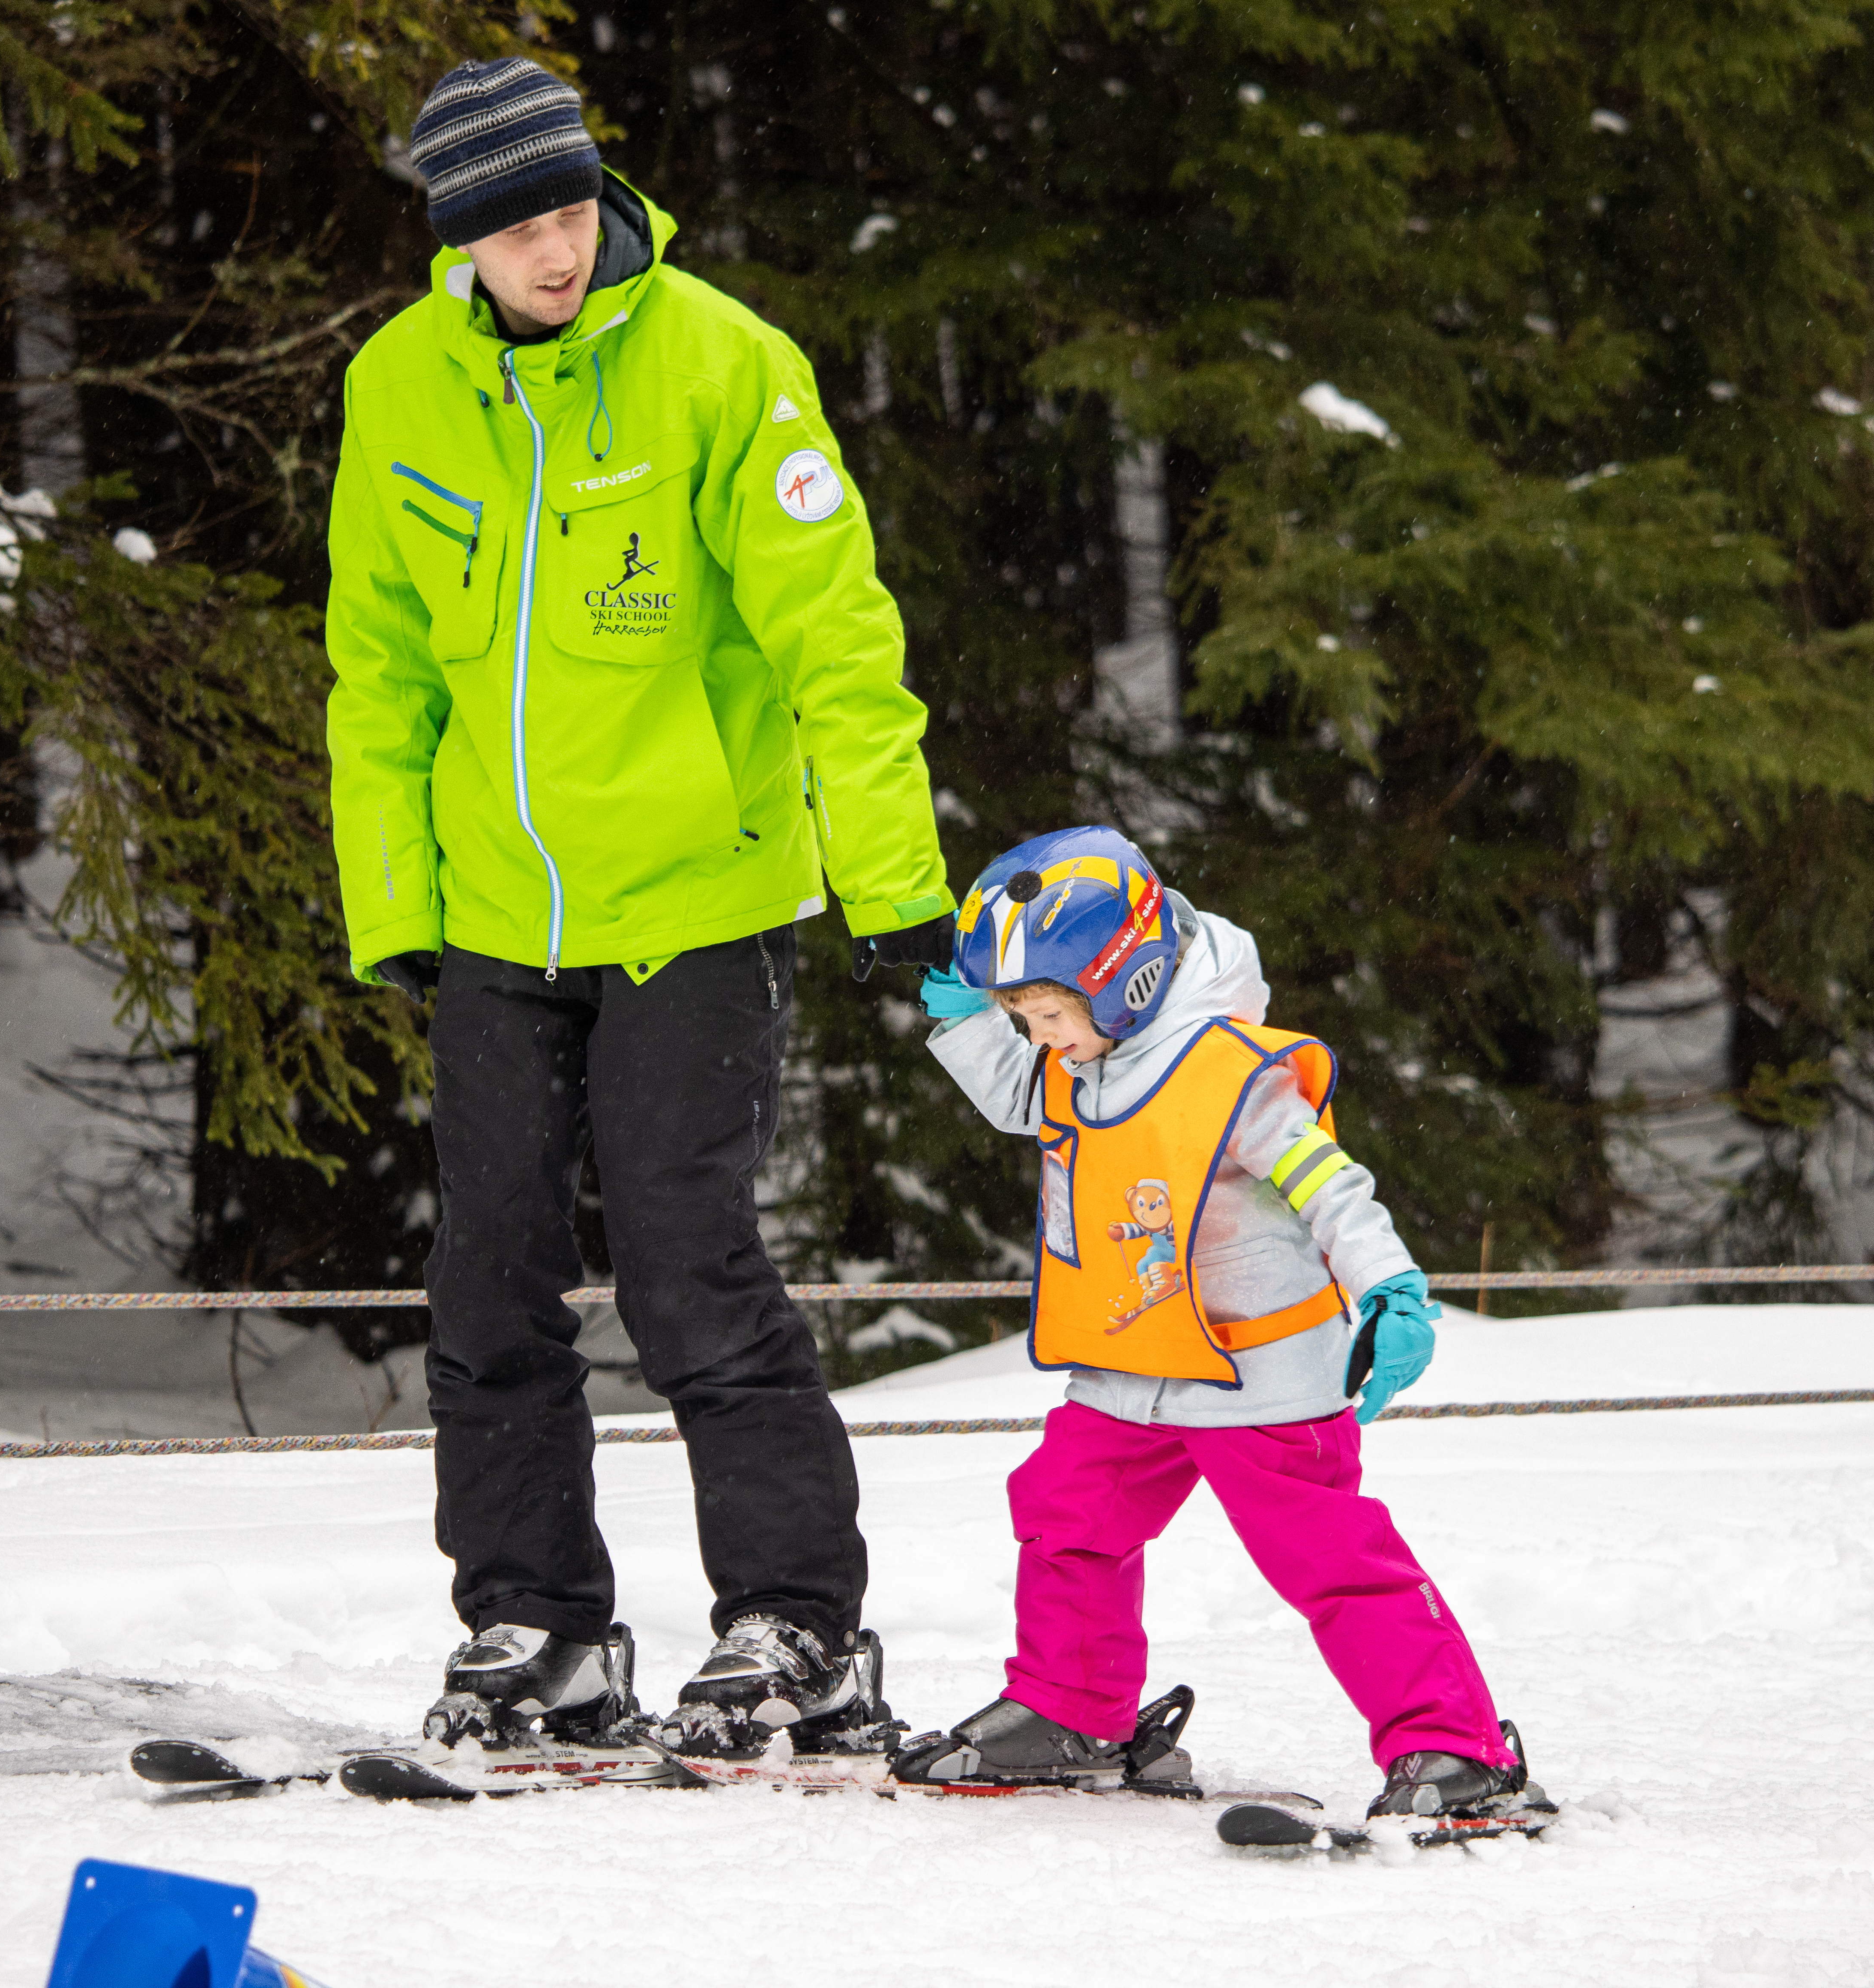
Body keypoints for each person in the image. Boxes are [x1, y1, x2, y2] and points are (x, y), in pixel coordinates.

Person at [322, 56, 956, 1756]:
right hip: (497, 920)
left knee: (689, 1271)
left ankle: (798, 1624)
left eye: (571, 212)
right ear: (459, 242)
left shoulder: (724, 364)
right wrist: (397, 901)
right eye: (516, 229)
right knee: (486, 1287)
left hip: (695, 904)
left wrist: (897, 878)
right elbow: (380, 669)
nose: (555, 251)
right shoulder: (399, 387)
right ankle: (538, 1626)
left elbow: (839, 640)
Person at [889, 826, 1550, 1826]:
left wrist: (1390, 1287)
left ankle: (1455, 1751)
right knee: (1068, 1517)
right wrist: (964, 1019)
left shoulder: (1234, 1073)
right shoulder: (1085, 1059)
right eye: (1021, 1018)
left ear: (1126, 981)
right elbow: (1024, 1097)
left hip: (1259, 1377)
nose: (1039, 1037)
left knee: (1331, 1561)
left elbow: (1332, 1186)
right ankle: (1071, 1712)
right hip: (1129, 1366)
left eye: (1047, 1013)